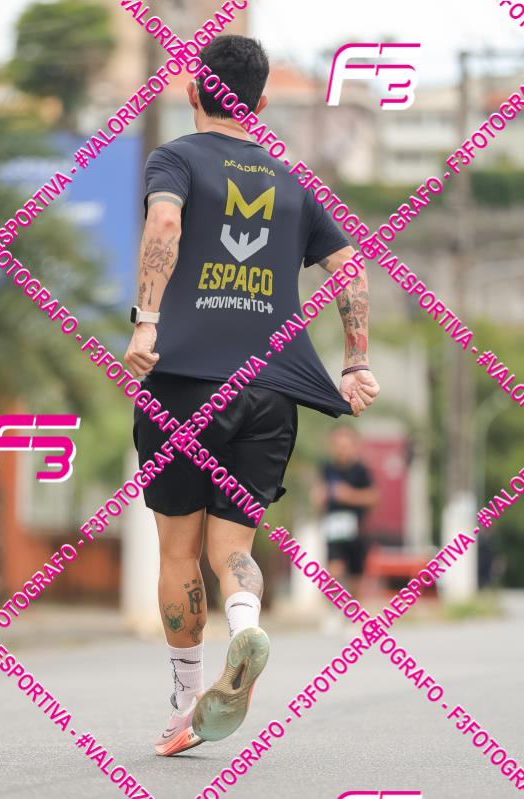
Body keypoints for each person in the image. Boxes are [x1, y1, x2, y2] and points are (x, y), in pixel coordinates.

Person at [124, 34, 380, 756]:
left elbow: (165, 222)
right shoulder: (296, 181)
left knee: (179, 548)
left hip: (183, 384)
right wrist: (355, 362)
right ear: (261, 104)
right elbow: (351, 268)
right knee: (232, 545)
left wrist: (147, 321)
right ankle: (246, 626)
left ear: (192, 91)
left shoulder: (175, 158)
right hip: (270, 391)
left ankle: (185, 703)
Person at [312, 426, 379, 597]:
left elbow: (372, 497)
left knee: (356, 575)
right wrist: (319, 497)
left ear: (354, 446)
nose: (341, 450)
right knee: (334, 569)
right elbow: (318, 492)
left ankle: (353, 607)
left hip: (357, 528)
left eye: (345, 446)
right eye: (338, 446)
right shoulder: (327, 468)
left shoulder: (361, 470)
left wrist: (349, 495)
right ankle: (334, 605)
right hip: (334, 527)